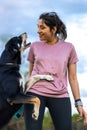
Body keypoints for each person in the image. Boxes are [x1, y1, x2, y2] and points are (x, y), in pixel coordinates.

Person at [24, 12, 87, 130]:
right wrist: (24, 98)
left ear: (53, 29)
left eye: (42, 27)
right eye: (38, 26)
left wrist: (78, 103)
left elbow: (73, 78)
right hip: (35, 94)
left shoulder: (69, 48)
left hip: (60, 95)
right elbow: (30, 74)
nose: (38, 30)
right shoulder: (35, 46)